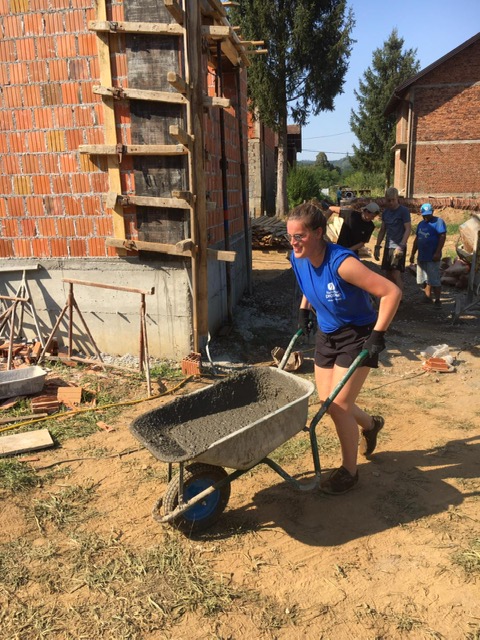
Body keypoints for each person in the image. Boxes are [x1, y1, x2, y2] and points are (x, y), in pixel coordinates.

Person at [287, 202, 401, 495]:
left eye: (299, 236)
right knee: (329, 402)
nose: (293, 242)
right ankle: (371, 424)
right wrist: (304, 309)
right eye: (290, 236)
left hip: (358, 334)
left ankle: (350, 471)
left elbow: (391, 292)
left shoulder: (342, 263)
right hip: (327, 333)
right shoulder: (297, 257)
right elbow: (309, 283)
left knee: (338, 407)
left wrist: (377, 335)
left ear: (318, 233)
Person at [373, 187, 411, 298]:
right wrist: (377, 246)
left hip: (398, 247)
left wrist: (402, 245)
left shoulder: (403, 211)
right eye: (388, 200)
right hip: (388, 246)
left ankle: (399, 298)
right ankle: (391, 296)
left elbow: (408, 229)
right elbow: (383, 230)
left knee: (395, 273)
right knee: (388, 274)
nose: (391, 203)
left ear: (397, 198)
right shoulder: (385, 213)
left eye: (393, 200)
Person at [409, 203, 446, 306]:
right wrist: (412, 253)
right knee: (424, 278)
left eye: (428, 215)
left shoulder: (438, 222)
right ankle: (427, 297)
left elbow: (442, 237)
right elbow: (417, 239)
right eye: (424, 215)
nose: (426, 217)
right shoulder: (421, 224)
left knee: (434, 279)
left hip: (433, 256)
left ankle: (438, 300)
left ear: (432, 212)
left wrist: (438, 252)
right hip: (422, 256)